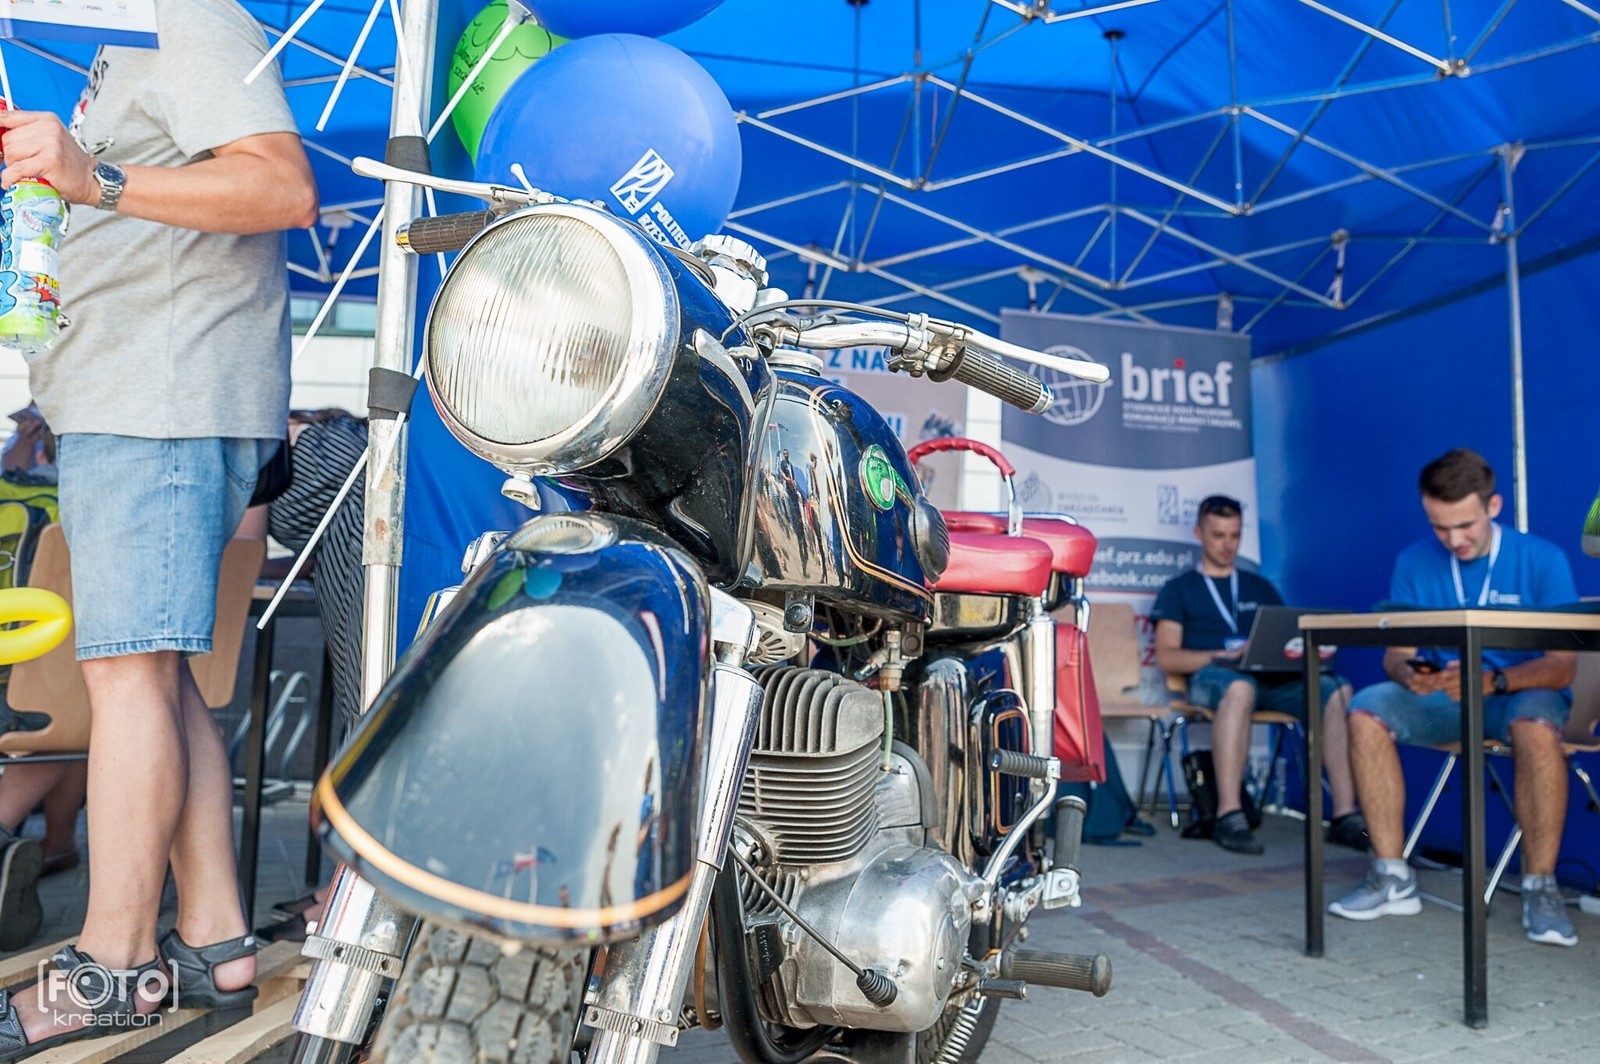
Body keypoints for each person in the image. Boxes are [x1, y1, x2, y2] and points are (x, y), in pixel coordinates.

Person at [0, 0, 317, 1054]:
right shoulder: (129, 39)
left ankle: (113, 965)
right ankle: (214, 940)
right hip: (132, 401)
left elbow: (283, 187)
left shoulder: (193, 18)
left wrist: (95, 179)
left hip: (161, 402)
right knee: (157, 673)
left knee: (130, 674)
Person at [1330, 449, 1580, 947]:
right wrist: (1409, 674)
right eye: (1439, 527)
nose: (1454, 539)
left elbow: (1563, 665)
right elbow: (1395, 655)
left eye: (1465, 525)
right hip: (1446, 697)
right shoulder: (1413, 561)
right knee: (1365, 710)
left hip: (1520, 695)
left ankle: (1541, 886)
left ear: (1493, 506)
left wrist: (1493, 681)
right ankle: (1391, 876)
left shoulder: (1542, 559)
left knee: (1536, 729)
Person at [1153, 494, 1366, 855]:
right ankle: (1229, 814)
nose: (1228, 544)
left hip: (1271, 680)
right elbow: (1167, 657)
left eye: (1234, 535)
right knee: (1239, 688)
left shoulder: (1260, 586)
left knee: (1337, 689)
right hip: (1214, 678)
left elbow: (1286, 640)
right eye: (1218, 535)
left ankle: (1345, 815)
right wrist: (1222, 656)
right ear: (1199, 534)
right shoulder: (1179, 589)